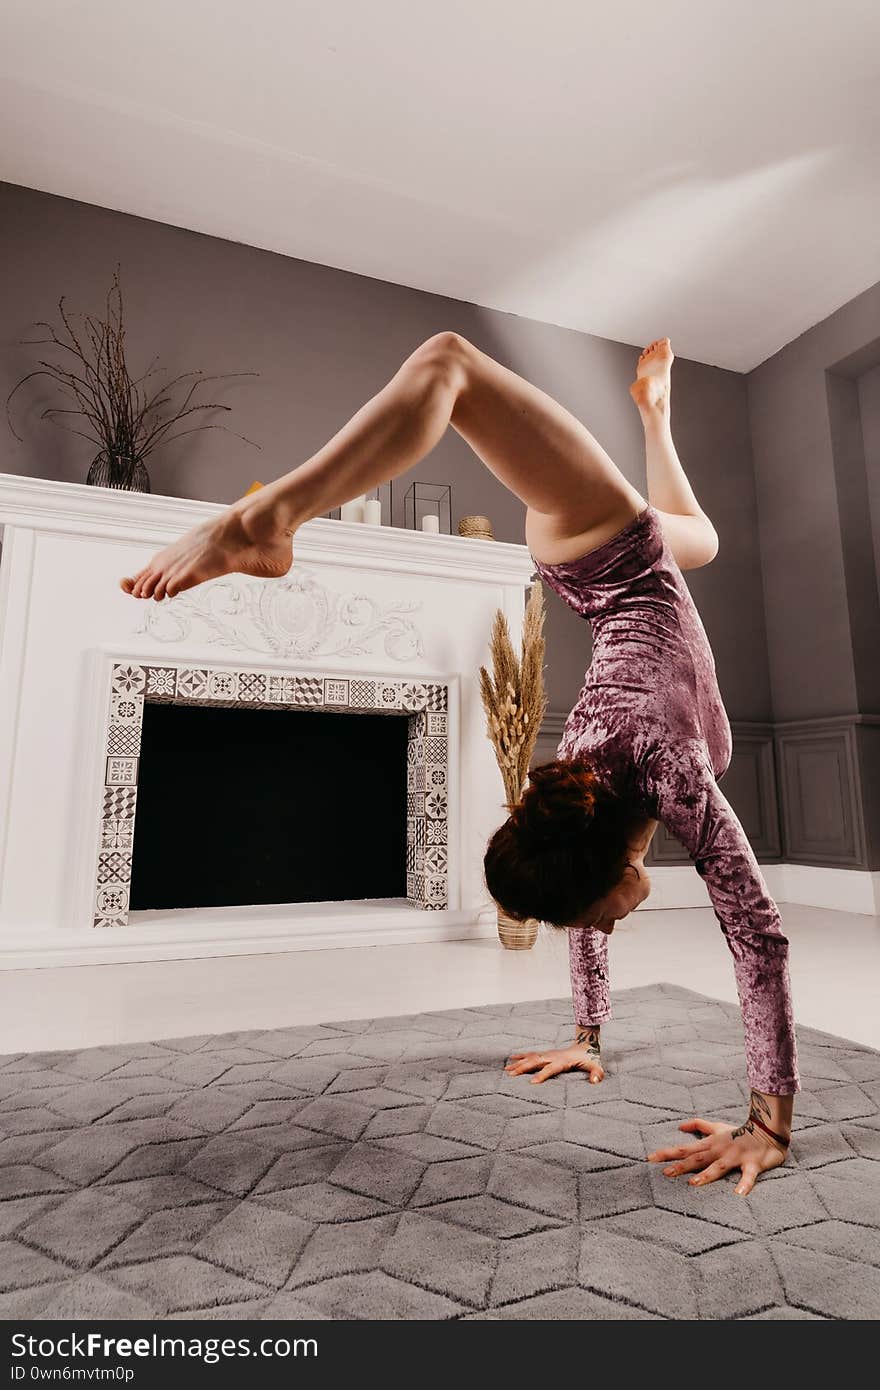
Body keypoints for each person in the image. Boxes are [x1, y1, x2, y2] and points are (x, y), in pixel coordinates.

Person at [121, 332, 798, 1195]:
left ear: (604, 863)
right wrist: (587, 1039)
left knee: (450, 365)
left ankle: (263, 521)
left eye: (593, 910)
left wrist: (768, 1125)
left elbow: (759, 936)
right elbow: (581, 900)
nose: (606, 923)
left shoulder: (661, 772)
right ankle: (656, 416)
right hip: (628, 566)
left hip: (603, 546)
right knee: (697, 538)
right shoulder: (588, 807)